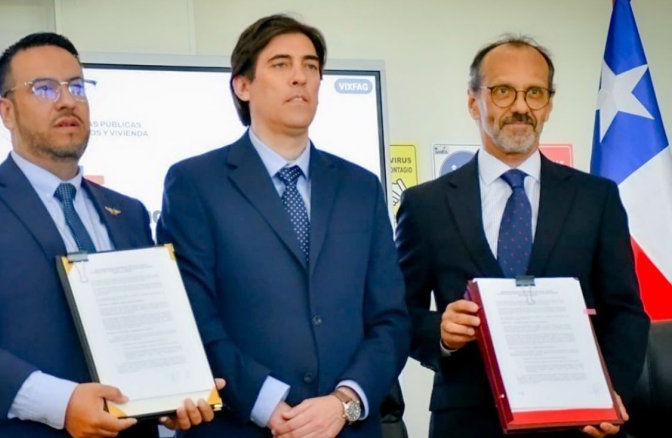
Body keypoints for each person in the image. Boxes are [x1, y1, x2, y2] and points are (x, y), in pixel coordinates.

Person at [0, 32, 220, 438]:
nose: (67, 100)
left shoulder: (128, 212)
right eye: (43, 88)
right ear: (6, 111)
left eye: (77, 86)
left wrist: (172, 398)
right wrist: (62, 403)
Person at [156, 14, 409, 438]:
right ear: (243, 85)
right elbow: (192, 314)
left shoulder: (360, 187)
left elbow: (390, 318)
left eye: (311, 67)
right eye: (281, 65)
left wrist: (344, 403)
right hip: (240, 425)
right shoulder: (195, 183)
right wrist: (265, 402)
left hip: (344, 427)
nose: (300, 78)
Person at [395, 35, 650, 438]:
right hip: (465, 423)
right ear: (472, 102)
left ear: (548, 105)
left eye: (534, 93)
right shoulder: (425, 205)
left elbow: (626, 312)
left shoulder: (596, 199)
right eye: (502, 92)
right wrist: (439, 334)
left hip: (577, 423)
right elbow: (396, 316)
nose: (520, 106)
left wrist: (610, 392)